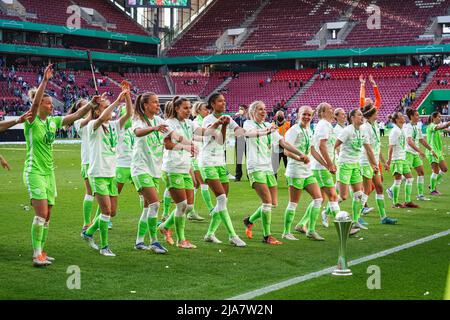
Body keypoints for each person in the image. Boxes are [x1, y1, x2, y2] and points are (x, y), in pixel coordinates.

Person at [24, 64, 93, 267]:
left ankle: (42, 252)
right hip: (34, 171)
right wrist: (45, 81)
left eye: (51, 103)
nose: (51, 106)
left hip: (49, 173)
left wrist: (91, 105)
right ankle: (36, 254)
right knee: (41, 213)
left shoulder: (53, 121)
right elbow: (35, 106)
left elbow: (76, 116)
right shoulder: (32, 120)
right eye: (47, 103)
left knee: (48, 215)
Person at [158, 96, 223, 249]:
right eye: (185, 108)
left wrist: (217, 123)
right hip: (172, 168)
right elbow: (167, 144)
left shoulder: (190, 123)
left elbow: (205, 132)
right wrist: (185, 147)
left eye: (189, 108)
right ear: (176, 108)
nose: (188, 111)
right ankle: (182, 240)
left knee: (187, 207)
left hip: (185, 168)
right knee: (182, 205)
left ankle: (165, 226)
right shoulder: (168, 123)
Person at [242, 101, 308, 245]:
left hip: (268, 168)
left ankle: (249, 220)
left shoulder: (268, 125)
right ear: (253, 111)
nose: (263, 111)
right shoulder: (249, 123)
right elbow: (248, 134)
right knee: (266, 202)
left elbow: (283, 143)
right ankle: (267, 236)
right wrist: (268, 131)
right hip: (255, 167)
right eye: (260, 109)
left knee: (273, 203)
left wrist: (300, 154)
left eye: (265, 109)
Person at [81, 88, 132, 257]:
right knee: (106, 211)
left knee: (113, 211)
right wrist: (117, 101)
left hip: (111, 173)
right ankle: (104, 246)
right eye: (105, 107)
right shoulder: (91, 126)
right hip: (97, 173)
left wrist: (128, 97)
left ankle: (88, 233)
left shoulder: (113, 126)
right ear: (96, 111)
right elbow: (102, 117)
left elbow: (128, 115)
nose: (110, 109)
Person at [199, 93, 247, 247]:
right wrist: (222, 125)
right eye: (220, 101)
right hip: (207, 162)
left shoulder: (228, 118)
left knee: (223, 201)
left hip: (221, 163)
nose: (223, 103)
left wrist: (246, 132)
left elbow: (239, 132)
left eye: (224, 101)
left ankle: (210, 234)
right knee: (221, 199)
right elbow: (218, 140)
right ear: (212, 104)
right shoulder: (207, 120)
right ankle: (232, 235)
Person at [131, 92, 176, 253]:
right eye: (155, 102)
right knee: (155, 204)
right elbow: (137, 132)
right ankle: (154, 242)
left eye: (158, 102)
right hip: (140, 168)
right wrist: (154, 128)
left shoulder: (159, 120)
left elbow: (173, 135)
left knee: (147, 208)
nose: (158, 105)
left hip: (154, 170)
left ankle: (139, 241)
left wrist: (187, 143)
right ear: (145, 105)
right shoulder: (139, 120)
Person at [282, 106, 327, 241]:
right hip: (295, 171)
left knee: (318, 198)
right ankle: (286, 232)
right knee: (293, 203)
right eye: (304, 114)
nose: (307, 117)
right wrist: (299, 157)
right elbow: (286, 151)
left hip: (307, 171)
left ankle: (311, 230)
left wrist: (327, 164)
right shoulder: (293, 130)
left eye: (309, 115)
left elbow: (312, 151)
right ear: (298, 115)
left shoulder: (309, 129)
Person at [334, 109, 378, 231]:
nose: (362, 117)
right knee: (343, 196)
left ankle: (355, 220)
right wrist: (331, 162)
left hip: (356, 165)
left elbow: (368, 149)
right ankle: (327, 211)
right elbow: (334, 145)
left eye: (362, 115)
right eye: (359, 115)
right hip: (344, 165)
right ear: (352, 118)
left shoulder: (363, 130)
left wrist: (374, 164)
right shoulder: (347, 131)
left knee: (358, 194)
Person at [360, 105, 398, 225]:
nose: (378, 114)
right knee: (366, 190)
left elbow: (376, 147)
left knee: (379, 187)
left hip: (373, 162)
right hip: (366, 162)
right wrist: (373, 163)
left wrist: (383, 162)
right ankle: (357, 215)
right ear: (370, 114)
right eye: (376, 113)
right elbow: (367, 148)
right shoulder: (364, 127)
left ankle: (383, 217)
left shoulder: (375, 126)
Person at [386, 112, 419, 209]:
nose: (403, 117)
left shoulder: (402, 129)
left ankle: (407, 201)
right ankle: (395, 203)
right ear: (397, 120)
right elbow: (390, 147)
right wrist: (388, 161)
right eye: (401, 116)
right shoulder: (394, 131)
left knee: (410, 178)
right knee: (398, 181)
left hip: (403, 158)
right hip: (396, 159)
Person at [72, 98, 96, 232]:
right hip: (88, 161)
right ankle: (87, 223)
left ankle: (99, 219)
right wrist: (92, 106)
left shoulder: (96, 120)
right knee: (90, 192)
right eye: (85, 106)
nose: (88, 106)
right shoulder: (78, 122)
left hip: (100, 161)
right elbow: (88, 119)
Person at [188, 101, 214, 220]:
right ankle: (211, 209)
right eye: (205, 109)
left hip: (202, 155)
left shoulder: (205, 121)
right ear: (198, 110)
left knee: (196, 184)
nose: (207, 111)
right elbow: (191, 137)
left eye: (208, 109)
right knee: (203, 182)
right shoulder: (195, 122)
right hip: (195, 157)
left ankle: (190, 211)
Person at [404, 108, 436, 201]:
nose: (419, 117)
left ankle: (420, 195)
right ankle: (392, 189)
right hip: (408, 152)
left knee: (421, 172)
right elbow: (409, 141)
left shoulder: (417, 126)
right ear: (411, 116)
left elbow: (421, 140)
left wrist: (431, 150)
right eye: (417, 115)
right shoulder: (408, 127)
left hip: (415, 153)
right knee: (406, 175)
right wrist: (420, 151)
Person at [425, 112, 450, 195]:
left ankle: (432, 184)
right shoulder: (431, 126)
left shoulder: (437, 127)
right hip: (432, 151)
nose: (440, 118)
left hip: (438, 152)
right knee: (435, 171)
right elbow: (444, 126)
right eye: (439, 117)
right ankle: (432, 190)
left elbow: (446, 129)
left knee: (444, 169)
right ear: (434, 118)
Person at [271, 110, 290, 179]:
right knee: (274, 167)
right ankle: (273, 182)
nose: (280, 116)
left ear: (284, 116)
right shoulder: (272, 125)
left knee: (288, 166)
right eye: (278, 115)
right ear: (276, 117)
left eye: (281, 115)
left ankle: (290, 182)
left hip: (286, 148)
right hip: (276, 148)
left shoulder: (288, 124)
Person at [234, 105, 248, 182]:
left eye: (242, 109)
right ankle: (238, 176)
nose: (240, 110)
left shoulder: (249, 120)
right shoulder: (237, 119)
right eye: (239, 109)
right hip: (239, 140)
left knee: (248, 158)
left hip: (247, 141)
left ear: (246, 110)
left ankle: (250, 175)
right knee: (239, 159)